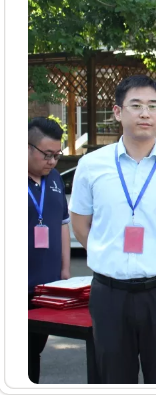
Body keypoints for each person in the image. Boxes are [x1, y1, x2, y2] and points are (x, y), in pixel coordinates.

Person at [69, 75, 156, 384]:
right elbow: (80, 224)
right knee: (113, 378)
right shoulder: (91, 165)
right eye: (136, 105)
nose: (145, 113)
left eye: (152, 106)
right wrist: (108, 254)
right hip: (109, 293)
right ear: (118, 112)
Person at [28, 117, 71, 383]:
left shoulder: (54, 179)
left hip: (46, 287)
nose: (52, 162)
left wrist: (65, 270)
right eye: (47, 155)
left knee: (33, 351)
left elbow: (63, 225)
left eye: (57, 155)